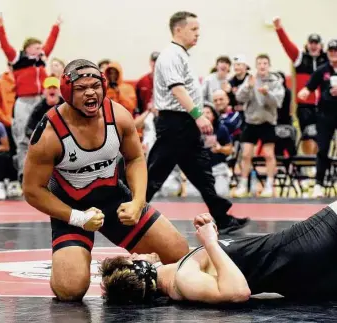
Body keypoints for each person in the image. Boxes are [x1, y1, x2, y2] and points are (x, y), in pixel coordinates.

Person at [22, 59, 189, 302]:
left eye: (95, 86)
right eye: (81, 88)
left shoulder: (118, 116)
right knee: (70, 291)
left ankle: (132, 265)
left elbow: (134, 159)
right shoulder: (50, 133)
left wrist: (138, 202)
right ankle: (72, 259)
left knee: (179, 253)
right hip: (70, 209)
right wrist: (77, 218)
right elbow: (32, 190)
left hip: (113, 199)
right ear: (68, 92)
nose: (90, 92)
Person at [100, 201, 337, 304]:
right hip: (305, 246)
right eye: (132, 258)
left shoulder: (182, 274)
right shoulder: (182, 280)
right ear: (140, 268)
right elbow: (237, 291)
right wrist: (211, 241)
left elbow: (230, 265)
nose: (135, 253)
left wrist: (212, 236)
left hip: (301, 264)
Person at [146, 11, 247, 233]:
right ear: (178, 29)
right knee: (156, 170)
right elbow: (177, 89)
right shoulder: (171, 55)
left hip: (184, 123)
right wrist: (198, 115)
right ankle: (130, 213)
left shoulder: (181, 55)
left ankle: (221, 217)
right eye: (194, 29)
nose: (197, 34)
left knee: (201, 170)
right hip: (175, 122)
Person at [0, 13, 62, 180]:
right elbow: (5, 46)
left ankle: (44, 175)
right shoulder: (17, 58)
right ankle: (24, 175)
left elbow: (51, 43)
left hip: (40, 100)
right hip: (24, 101)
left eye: (41, 47)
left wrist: (56, 26)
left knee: (45, 136)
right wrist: (0, 27)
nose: (41, 49)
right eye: (37, 47)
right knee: (23, 138)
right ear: (28, 48)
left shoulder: (42, 59)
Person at [273, 17, 328, 156]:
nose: (314, 46)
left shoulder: (328, 60)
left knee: (322, 136)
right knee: (308, 135)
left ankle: (319, 165)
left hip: (325, 105)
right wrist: (279, 29)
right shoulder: (299, 59)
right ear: (307, 45)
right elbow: (287, 45)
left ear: (321, 45)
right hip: (305, 106)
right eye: (311, 43)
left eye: (316, 43)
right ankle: (310, 166)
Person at [234, 54, 285, 198]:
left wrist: (267, 93)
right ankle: (243, 184)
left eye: (265, 63)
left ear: (269, 65)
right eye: (260, 63)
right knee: (245, 154)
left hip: (268, 122)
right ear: (256, 66)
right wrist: (248, 88)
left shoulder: (275, 81)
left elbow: (278, 103)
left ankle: (269, 185)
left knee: (269, 155)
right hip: (251, 122)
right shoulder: (250, 79)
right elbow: (239, 98)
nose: (262, 66)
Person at [298, 39, 337, 198]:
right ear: (327, 52)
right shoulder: (322, 70)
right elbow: (308, 88)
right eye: (331, 51)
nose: (334, 53)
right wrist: (304, 92)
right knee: (322, 149)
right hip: (325, 115)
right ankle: (318, 184)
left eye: (336, 50)